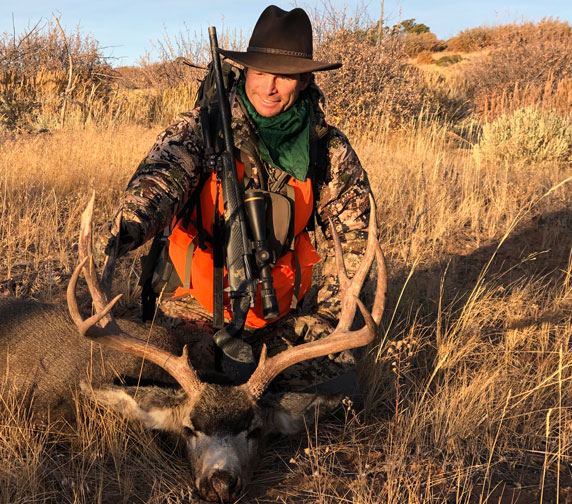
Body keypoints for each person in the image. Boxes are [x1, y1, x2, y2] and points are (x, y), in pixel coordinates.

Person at [105, 5, 372, 397]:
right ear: (245, 71)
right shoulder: (201, 127)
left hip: (281, 312)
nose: (269, 87)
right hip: (193, 305)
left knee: (335, 376)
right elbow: (160, 179)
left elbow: (354, 246)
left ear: (305, 79)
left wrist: (331, 323)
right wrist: (129, 226)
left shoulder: (328, 149)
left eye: (284, 76)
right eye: (261, 73)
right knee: (163, 373)